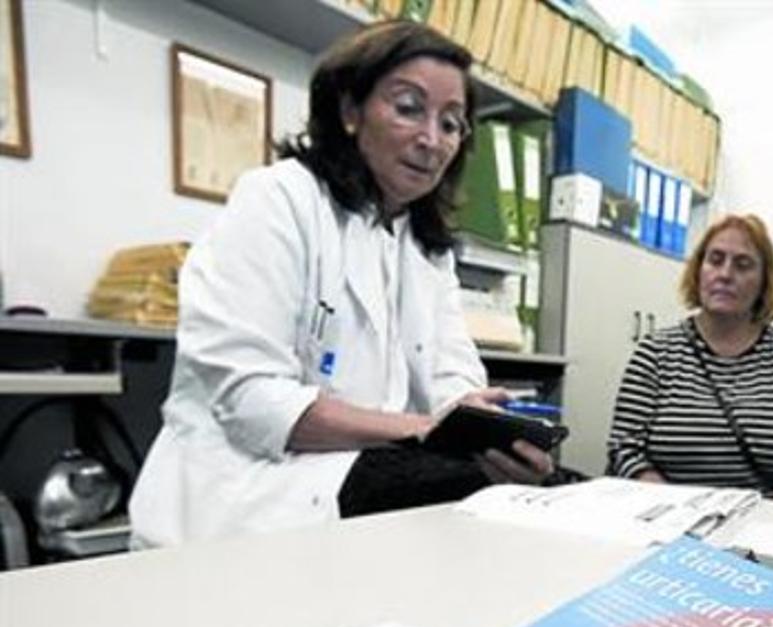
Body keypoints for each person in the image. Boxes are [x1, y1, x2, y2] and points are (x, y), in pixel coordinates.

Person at [130, 21, 551, 546]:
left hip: (362, 472)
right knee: (467, 497)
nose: (431, 140)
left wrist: (489, 431)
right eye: (408, 107)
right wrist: (422, 428)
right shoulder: (279, 199)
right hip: (248, 493)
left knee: (545, 489)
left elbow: (451, 373)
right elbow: (254, 401)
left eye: (451, 123)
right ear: (351, 110)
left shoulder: (425, 245)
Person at [606, 214, 773, 502]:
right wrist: (679, 513)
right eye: (715, 260)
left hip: (765, 524)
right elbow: (624, 448)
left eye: (743, 264)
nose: (725, 274)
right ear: (698, 270)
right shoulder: (654, 354)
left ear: (764, 281)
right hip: (669, 523)